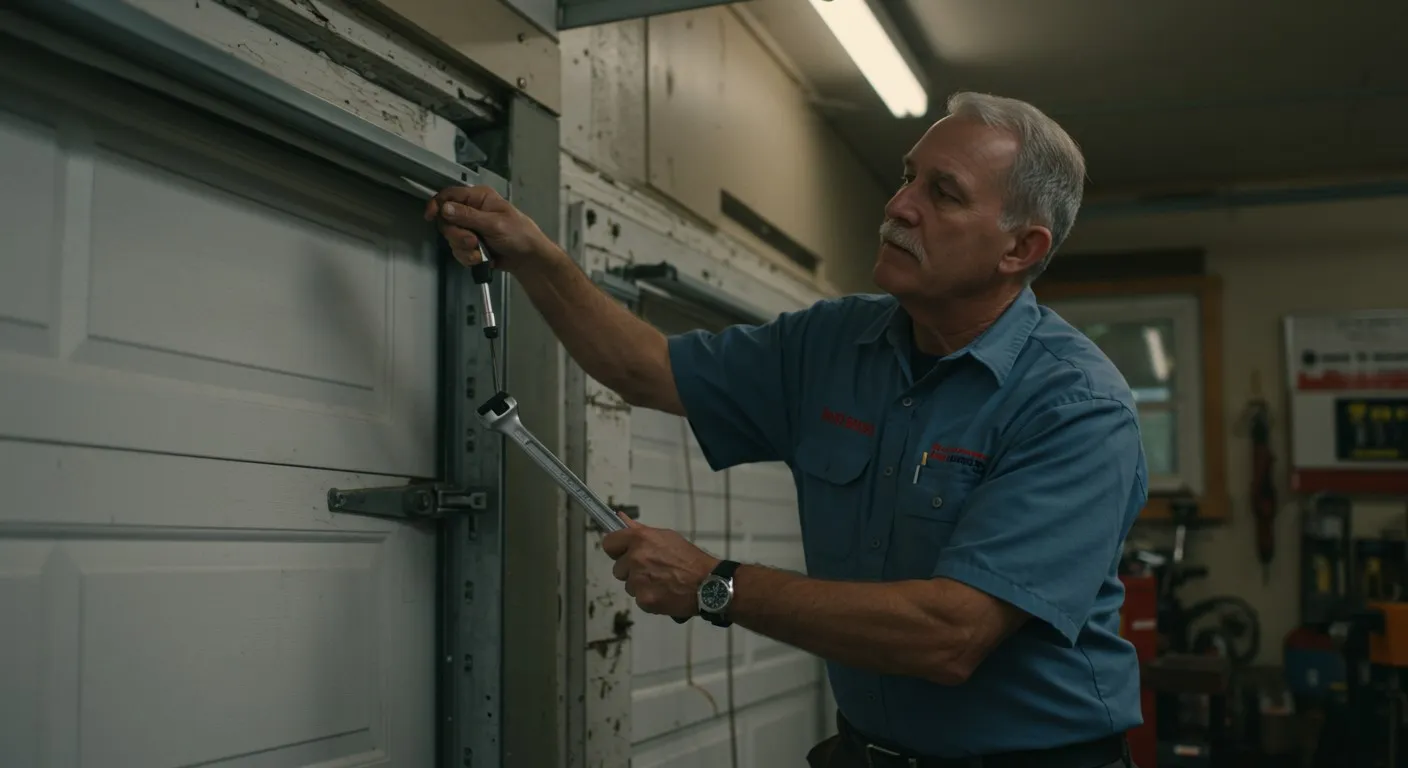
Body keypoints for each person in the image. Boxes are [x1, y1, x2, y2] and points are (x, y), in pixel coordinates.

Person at [426, 91, 1145, 768]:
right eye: (907, 178)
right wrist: (537, 257)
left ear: (1019, 249)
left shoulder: (1076, 409)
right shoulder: (833, 342)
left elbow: (950, 634)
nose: (898, 206)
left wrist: (714, 584)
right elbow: (647, 370)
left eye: (943, 193)